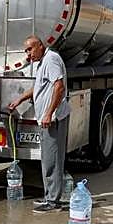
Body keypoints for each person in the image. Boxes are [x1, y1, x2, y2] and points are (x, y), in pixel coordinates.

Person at [7, 35, 69, 213]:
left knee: (52, 160)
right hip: (46, 119)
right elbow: (40, 87)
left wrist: (49, 113)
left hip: (53, 119)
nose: (28, 54)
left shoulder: (51, 60)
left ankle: (53, 201)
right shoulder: (43, 62)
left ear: (41, 46)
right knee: (48, 159)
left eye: (30, 49)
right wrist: (20, 99)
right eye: (26, 50)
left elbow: (59, 87)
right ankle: (50, 196)